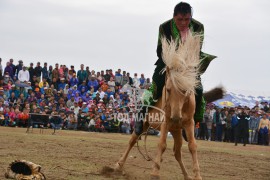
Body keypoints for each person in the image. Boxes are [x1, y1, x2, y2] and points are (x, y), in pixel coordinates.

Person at [134, 2, 216, 135]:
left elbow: (197, 50)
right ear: (174, 17)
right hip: (168, 63)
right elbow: (159, 50)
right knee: (155, 87)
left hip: (189, 65)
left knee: (199, 90)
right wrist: (172, 60)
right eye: (180, 20)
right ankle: (141, 115)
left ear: (190, 17)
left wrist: (186, 63)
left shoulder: (198, 27)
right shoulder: (164, 27)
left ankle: (193, 121)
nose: (183, 23)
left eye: (187, 19)